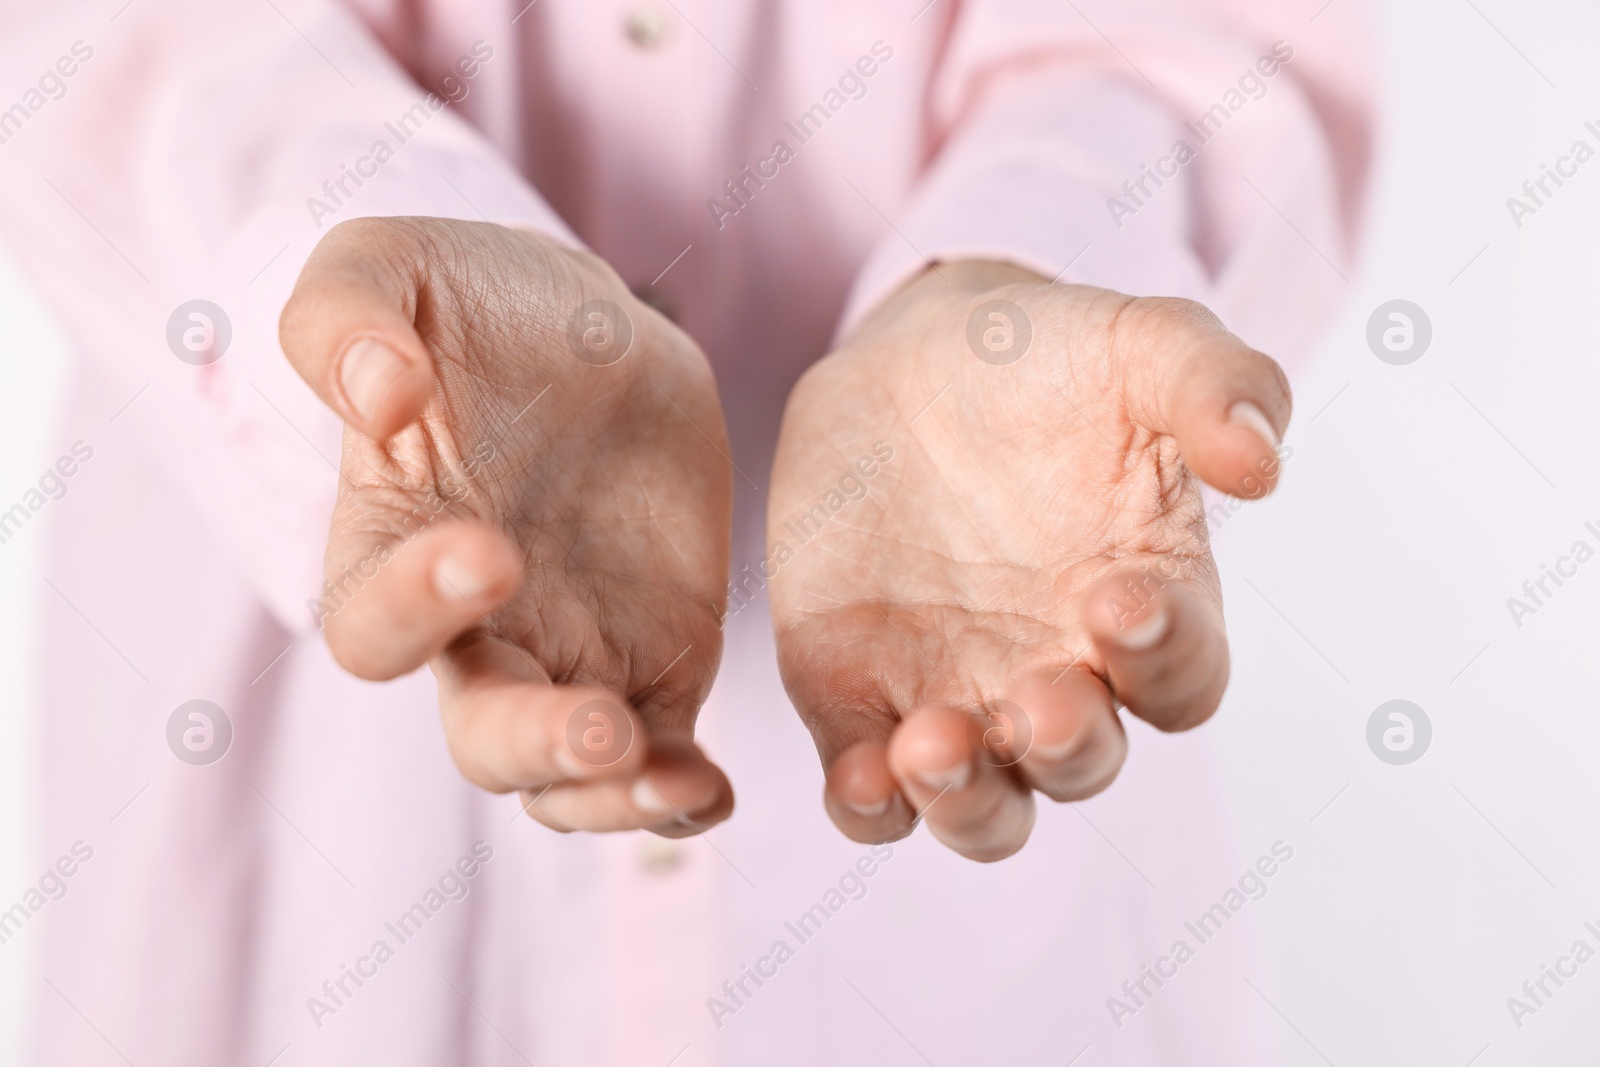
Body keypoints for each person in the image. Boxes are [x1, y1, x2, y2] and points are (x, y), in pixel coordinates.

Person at [0, 0, 1371, 1063]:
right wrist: (359, 256)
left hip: (981, 728)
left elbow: (1190, 39)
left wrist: (1014, 281)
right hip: (301, 819)